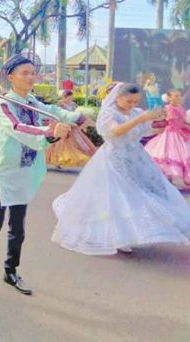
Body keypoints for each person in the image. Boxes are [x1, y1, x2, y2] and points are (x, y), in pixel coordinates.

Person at [0, 55, 85, 295]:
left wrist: (78, 118)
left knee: (18, 228)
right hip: (5, 174)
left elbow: (53, 111)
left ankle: (10, 270)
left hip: (24, 172)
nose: (31, 77)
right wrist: (50, 132)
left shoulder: (32, 100)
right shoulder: (4, 104)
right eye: (25, 73)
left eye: (33, 72)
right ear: (10, 76)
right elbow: (17, 128)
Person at [52, 83, 190, 255]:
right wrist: (140, 119)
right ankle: (116, 236)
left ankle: (131, 233)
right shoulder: (110, 113)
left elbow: (146, 131)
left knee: (149, 192)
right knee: (118, 197)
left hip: (136, 157)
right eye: (129, 101)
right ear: (117, 97)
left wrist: (159, 120)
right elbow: (115, 132)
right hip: (113, 159)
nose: (132, 104)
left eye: (135, 101)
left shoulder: (136, 112)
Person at [145, 88, 190, 187]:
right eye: (176, 96)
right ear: (169, 98)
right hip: (172, 133)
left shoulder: (180, 107)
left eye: (180, 96)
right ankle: (175, 178)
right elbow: (174, 122)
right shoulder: (168, 108)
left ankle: (180, 179)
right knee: (173, 153)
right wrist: (184, 126)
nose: (179, 98)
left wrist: (186, 125)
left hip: (181, 131)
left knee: (184, 152)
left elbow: (182, 120)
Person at [45, 90, 97, 168]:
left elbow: (75, 115)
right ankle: (59, 161)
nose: (71, 99)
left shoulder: (74, 105)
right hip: (63, 126)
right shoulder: (60, 105)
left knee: (76, 144)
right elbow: (56, 116)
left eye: (72, 98)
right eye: (69, 98)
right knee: (60, 145)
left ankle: (65, 160)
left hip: (72, 127)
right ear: (65, 97)